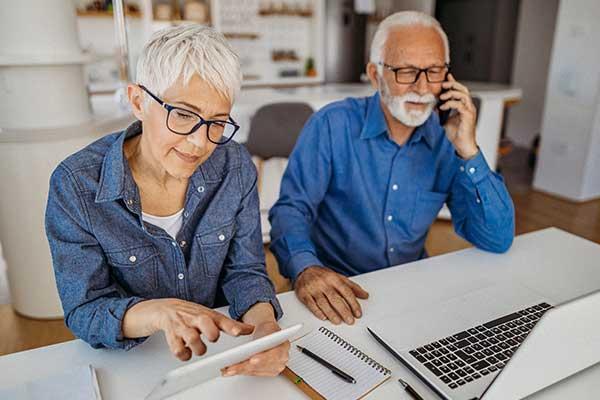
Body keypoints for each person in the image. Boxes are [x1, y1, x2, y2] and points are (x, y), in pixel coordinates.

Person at [45, 25, 288, 377]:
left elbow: (245, 271)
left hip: (220, 354)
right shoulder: (75, 185)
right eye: (184, 115)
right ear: (138, 101)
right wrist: (159, 313)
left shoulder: (235, 166)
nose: (199, 143)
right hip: (134, 365)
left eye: (217, 123)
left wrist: (265, 328)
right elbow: (85, 310)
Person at [269, 11, 515, 326]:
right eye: (406, 71)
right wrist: (306, 269)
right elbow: (291, 209)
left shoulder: (447, 139)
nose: (423, 87)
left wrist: (468, 150)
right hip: (335, 292)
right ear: (375, 75)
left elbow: (497, 238)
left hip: (410, 293)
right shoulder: (332, 124)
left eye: (434, 71)